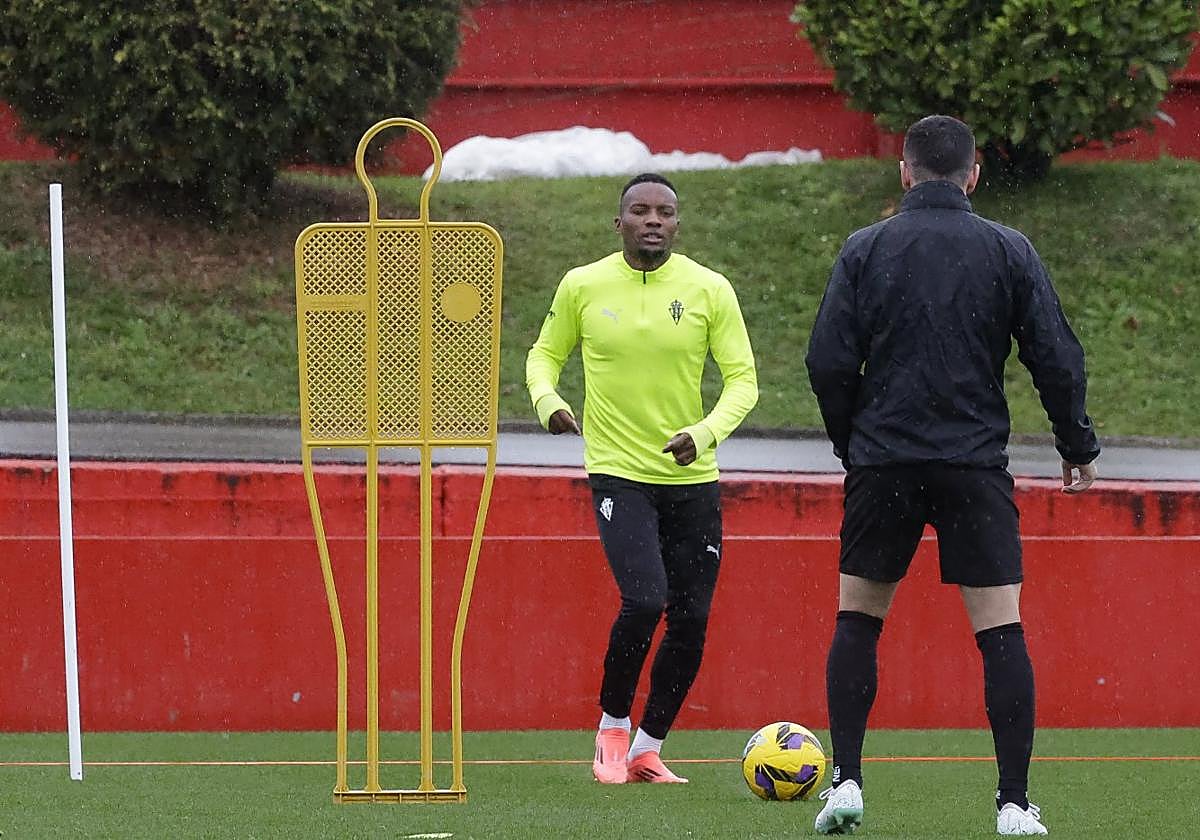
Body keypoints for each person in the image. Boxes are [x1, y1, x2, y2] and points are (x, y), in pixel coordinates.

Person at [805, 115, 1100, 836]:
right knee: (1000, 629)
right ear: (973, 175)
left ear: (904, 172)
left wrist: (853, 443)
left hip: (884, 462)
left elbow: (827, 361)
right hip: (973, 464)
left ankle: (846, 781)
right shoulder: (1007, 248)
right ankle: (1013, 803)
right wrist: (1076, 442)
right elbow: (1056, 355)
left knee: (858, 619)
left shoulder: (866, 247)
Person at [525, 172, 758, 785]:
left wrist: (704, 433)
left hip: (692, 477)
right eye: (640, 210)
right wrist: (549, 401)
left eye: (665, 212)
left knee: (691, 617)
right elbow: (543, 355)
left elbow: (743, 381)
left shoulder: (710, 289)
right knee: (646, 599)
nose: (653, 220)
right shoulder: (583, 284)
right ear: (619, 222)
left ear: (677, 224)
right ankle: (612, 727)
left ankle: (648, 747)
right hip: (618, 473)